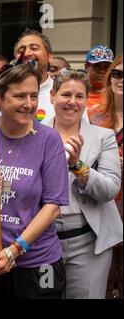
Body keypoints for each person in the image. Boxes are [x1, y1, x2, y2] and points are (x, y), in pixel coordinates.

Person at [0, 64, 69, 299]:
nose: (29, 104)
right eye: (20, 95)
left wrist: (15, 249)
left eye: (33, 96)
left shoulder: (49, 139)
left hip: (38, 263)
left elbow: (53, 207)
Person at [46, 67, 122, 298]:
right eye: (66, 94)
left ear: (87, 101)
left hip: (88, 243)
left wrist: (79, 166)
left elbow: (110, 189)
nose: (72, 102)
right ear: (52, 96)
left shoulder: (103, 137)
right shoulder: (35, 133)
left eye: (79, 96)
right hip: (43, 242)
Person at [88, 54, 123, 298]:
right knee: (103, 276)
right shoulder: (93, 115)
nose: (121, 80)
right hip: (101, 203)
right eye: (118, 74)